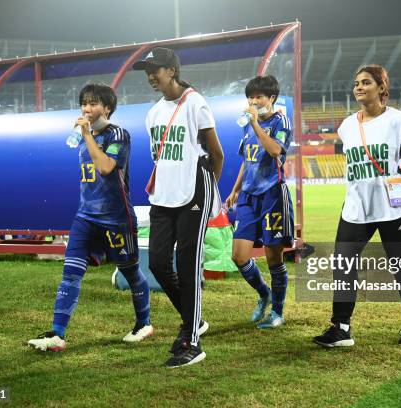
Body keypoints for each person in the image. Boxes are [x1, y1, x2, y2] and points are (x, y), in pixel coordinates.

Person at [28, 83, 152, 352]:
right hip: (85, 216)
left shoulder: (118, 134)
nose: (87, 108)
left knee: (130, 271)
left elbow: (107, 167)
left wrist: (86, 135)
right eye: (84, 103)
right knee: (70, 273)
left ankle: (144, 323)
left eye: (94, 103)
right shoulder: (84, 137)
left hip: (116, 217)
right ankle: (57, 334)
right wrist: (86, 135)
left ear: (107, 108)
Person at [312, 65, 401, 348]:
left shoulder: (398, 120)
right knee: (343, 265)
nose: (359, 87)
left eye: (366, 82)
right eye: (356, 83)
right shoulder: (346, 125)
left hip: (393, 206)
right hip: (356, 207)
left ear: (381, 88)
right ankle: (341, 328)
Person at [133, 48, 224, 368]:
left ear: (171, 70)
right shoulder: (152, 114)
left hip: (193, 193)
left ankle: (192, 340)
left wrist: (209, 195)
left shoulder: (195, 103)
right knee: (158, 263)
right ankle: (192, 319)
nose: (150, 75)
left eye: (155, 68)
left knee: (187, 265)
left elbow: (217, 154)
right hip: (162, 196)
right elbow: (161, 158)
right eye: (147, 70)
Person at [225, 75, 294, 329]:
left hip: (272, 196)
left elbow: (276, 150)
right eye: (250, 97)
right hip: (248, 197)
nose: (253, 101)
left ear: (271, 98)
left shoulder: (281, 121)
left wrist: (255, 125)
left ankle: (277, 312)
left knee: (273, 258)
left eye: (259, 97)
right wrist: (235, 189)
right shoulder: (247, 125)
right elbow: (248, 160)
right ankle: (264, 293)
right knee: (238, 255)